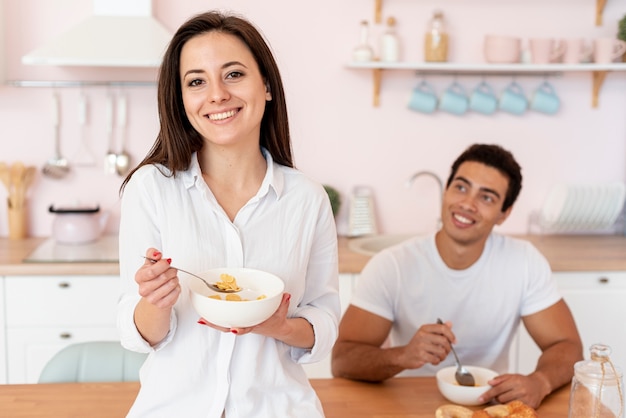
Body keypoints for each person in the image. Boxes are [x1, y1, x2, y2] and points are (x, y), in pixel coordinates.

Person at [117, 11, 340, 417]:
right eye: (197, 81)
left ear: (267, 86)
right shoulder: (151, 188)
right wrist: (156, 301)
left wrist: (281, 327)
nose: (216, 94)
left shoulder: (307, 199)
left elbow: (323, 319)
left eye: (234, 74)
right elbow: (138, 334)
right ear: (182, 100)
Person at [331, 143, 583, 409]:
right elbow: (342, 360)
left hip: (488, 406)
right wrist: (402, 356)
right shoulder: (391, 265)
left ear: (504, 214)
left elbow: (567, 345)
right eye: (461, 187)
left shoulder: (524, 262)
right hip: (405, 403)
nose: (467, 204)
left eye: (486, 197)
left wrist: (540, 382)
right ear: (446, 192)